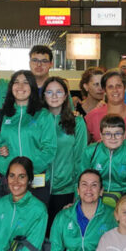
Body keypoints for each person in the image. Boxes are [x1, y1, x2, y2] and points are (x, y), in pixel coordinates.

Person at [0, 70, 56, 199]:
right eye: (16, 82)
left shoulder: (44, 115)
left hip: (36, 182)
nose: (20, 87)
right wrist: (11, 174)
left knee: (35, 218)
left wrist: (26, 174)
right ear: (11, 87)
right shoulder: (0, 116)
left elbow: (49, 149)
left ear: (32, 87)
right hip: (6, 183)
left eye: (26, 82)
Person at [42, 76, 88, 227]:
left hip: (66, 190)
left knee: (63, 234)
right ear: (43, 95)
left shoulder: (77, 122)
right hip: (40, 189)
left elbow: (80, 159)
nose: (54, 96)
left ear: (66, 94)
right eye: (49, 92)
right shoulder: (36, 123)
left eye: (59, 92)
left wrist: (77, 191)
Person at [80, 115, 126, 203]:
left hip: (123, 196)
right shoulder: (90, 151)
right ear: (101, 135)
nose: (113, 138)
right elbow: (81, 179)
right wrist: (78, 203)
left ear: (124, 135)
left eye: (117, 133)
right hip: (96, 195)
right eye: (108, 134)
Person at [84, 71, 126, 143]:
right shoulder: (92, 116)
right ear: (104, 90)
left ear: (124, 88)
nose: (115, 90)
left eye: (118, 86)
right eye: (110, 87)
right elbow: (84, 147)